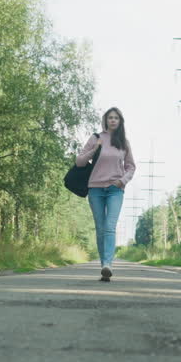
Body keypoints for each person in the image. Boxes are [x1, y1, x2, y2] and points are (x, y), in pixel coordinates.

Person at [75, 107, 136, 281]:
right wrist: (95, 149)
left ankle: (108, 264)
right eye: (110, 117)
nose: (113, 120)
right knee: (101, 229)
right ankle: (104, 267)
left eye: (116, 118)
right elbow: (79, 162)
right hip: (95, 189)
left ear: (120, 121)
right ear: (106, 120)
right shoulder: (96, 138)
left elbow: (131, 166)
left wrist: (122, 181)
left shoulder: (124, 142)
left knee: (110, 227)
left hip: (115, 189)